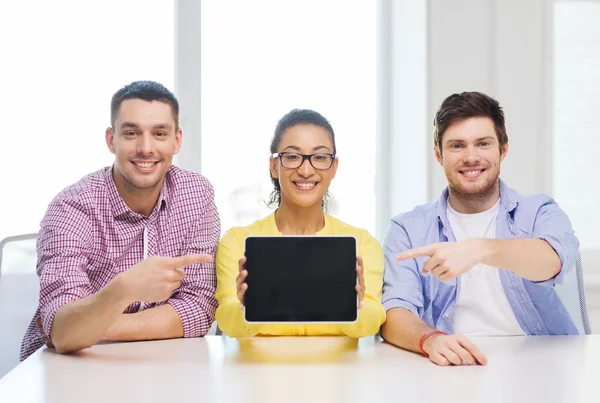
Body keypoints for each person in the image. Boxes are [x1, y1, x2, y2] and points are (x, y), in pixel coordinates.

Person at [20, 81, 220, 360]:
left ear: (177, 141)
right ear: (111, 140)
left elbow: (199, 310)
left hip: (154, 363)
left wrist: (94, 326)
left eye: (159, 133)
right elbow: (64, 335)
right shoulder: (71, 208)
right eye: (131, 133)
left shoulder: (196, 194)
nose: (146, 148)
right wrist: (123, 290)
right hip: (67, 369)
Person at [381, 91, 580, 366]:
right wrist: (431, 339)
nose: (471, 157)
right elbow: (394, 311)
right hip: (452, 367)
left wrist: (480, 249)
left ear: (503, 149)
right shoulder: (407, 229)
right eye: (457, 146)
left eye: (483, 143)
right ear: (439, 155)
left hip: (543, 363)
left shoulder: (539, 211)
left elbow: (554, 261)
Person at [215, 109, 385, 337]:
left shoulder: (362, 244)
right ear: (274, 166)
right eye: (293, 157)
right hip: (258, 372)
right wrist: (246, 308)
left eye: (320, 157)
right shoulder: (238, 242)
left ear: (334, 167)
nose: (306, 170)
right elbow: (227, 320)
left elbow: (373, 321)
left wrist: (355, 307)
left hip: (340, 373)